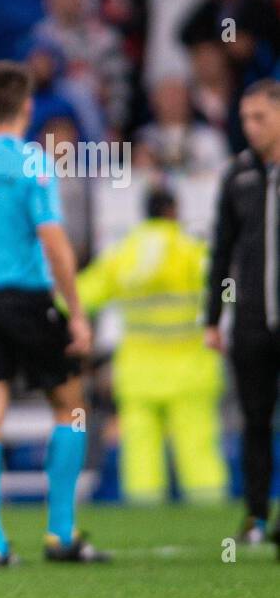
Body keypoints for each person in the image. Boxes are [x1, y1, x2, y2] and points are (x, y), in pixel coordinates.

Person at [0, 61, 109, 564]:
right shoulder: (33, 161)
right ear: (28, 107)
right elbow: (53, 242)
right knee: (71, 406)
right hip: (29, 300)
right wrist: (75, 312)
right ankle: (61, 533)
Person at [79, 190, 227, 506]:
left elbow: (80, 296)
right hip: (191, 370)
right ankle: (214, 522)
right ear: (174, 211)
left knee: (141, 453)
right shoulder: (193, 250)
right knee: (198, 449)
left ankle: (144, 515)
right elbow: (227, 288)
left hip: (138, 373)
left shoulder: (123, 254)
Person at [204, 78, 280, 548]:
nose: (250, 127)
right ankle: (254, 516)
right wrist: (213, 317)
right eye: (245, 118)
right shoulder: (238, 176)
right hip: (251, 318)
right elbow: (221, 251)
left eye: (260, 117)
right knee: (255, 419)